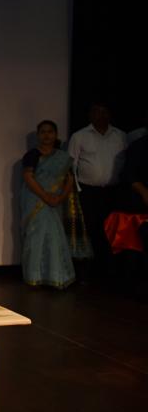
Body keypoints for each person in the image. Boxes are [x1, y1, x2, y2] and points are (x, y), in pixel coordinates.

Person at [20, 120, 87, 288]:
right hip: (36, 201)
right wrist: (46, 197)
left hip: (56, 203)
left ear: (56, 135)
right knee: (36, 238)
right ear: (37, 135)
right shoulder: (32, 155)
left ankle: (57, 277)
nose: (47, 135)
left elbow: (69, 180)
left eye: (50, 131)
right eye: (43, 132)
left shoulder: (63, 158)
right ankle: (34, 277)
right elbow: (28, 178)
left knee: (55, 238)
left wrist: (59, 198)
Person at [68, 102, 126, 268]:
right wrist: (77, 191)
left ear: (110, 114)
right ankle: (93, 268)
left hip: (114, 192)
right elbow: (71, 166)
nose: (101, 115)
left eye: (104, 111)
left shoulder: (120, 136)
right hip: (88, 192)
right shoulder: (79, 136)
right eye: (97, 112)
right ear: (90, 115)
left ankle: (112, 267)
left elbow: (126, 163)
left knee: (114, 230)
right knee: (91, 230)